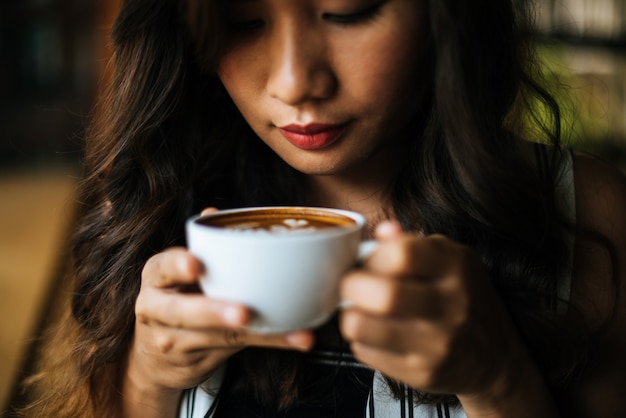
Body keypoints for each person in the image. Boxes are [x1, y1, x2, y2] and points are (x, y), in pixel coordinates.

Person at [18, 0, 626, 417]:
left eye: (347, 11)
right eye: (243, 20)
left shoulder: (583, 211)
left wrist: (499, 381)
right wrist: (145, 380)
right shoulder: (158, 198)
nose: (294, 82)